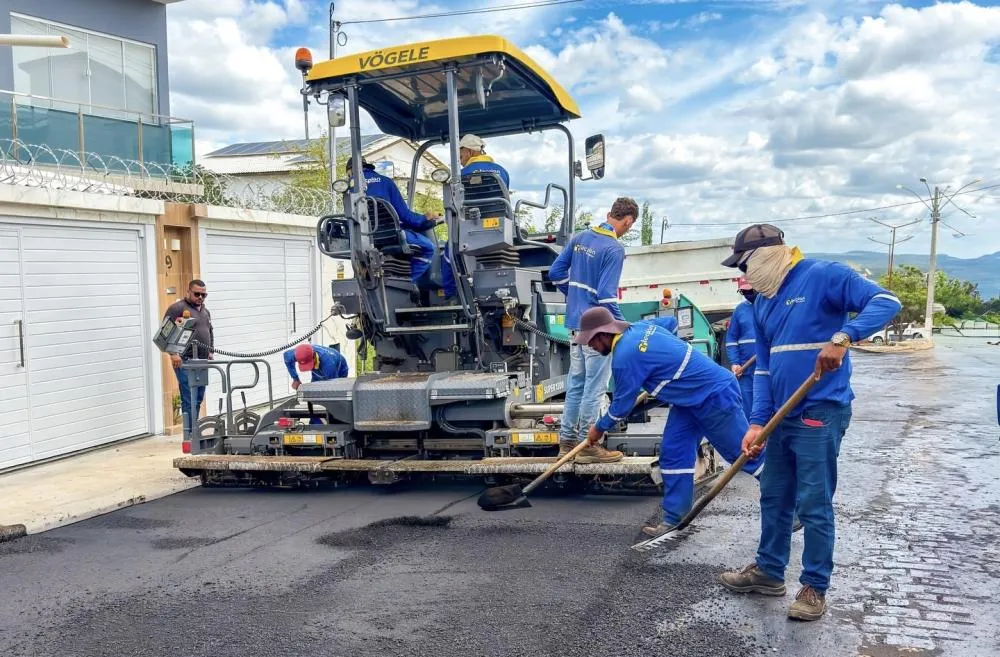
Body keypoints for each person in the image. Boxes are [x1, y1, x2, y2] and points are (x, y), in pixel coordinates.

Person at [717, 224, 902, 621]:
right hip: (781, 417)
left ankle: (814, 587)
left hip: (820, 409)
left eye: (746, 264)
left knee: (814, 503)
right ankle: (768, 571)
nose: (746, 275)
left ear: (768, 254)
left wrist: (844, 336)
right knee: (774, 494)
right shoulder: (762, 303)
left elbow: (887, 301)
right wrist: (756, 422)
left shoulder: (824, 276)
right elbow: (764, 370)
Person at [577, 306, 765, 535]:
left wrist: (598, 429)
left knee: (744, 453)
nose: (590, 347)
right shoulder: (642, 328)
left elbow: (622, 406)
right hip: (688, 400)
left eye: (591, 341)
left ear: (604, 334)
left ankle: (791, 503)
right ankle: (676, 518)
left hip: (713, 395)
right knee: (674, 452)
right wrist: (666, 360)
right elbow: (671, 324)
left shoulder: (624, 357)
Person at [548, 197, 638, 463]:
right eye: (629, 226)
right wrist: (625, 327)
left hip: (576, 325)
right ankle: (589, 445)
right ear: (627, 221)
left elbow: (555, 273)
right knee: (595, 388)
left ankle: (566, 443)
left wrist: (574, 296)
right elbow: (607, 297)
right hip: (598, 330)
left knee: (575, 385)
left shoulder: (580, 238)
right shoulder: (613, 249)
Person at [347, 158, 441, 288]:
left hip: (363, 240)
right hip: (391, 236)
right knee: (428, 247)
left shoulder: (348, 189)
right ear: (368, 167)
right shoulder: (385, 182)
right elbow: (406, 217)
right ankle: (409, 284)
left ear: (350, 172)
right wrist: (425, 218)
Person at [164, 279, 213, 437]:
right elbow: (165, 332)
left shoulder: (205, 311)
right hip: (184, 360)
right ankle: (189, 433)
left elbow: (209, 330)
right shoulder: (177, 308)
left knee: (198, 396)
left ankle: (194, 429)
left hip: (202, 360)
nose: (200, 297)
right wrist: (173, 353)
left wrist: (210, 350)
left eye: (203, 295)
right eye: (197, 294)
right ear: (188, 292)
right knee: (188, 395)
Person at [725, 277, 758, 420]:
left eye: (750, 290)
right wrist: (735, 362)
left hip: (767, 366)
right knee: (747, 407)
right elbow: (731, 339)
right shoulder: (740, 310)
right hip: (746, 368)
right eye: (744, 291)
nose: (748, 293)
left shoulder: (770, 305)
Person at [283, 343, 349, 390]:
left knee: (336, 391)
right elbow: (287, 359)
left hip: (340, 368)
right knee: (314, 388)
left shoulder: (329, 364)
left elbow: (334, 387)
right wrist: (295, 379)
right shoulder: (293, 354)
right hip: (320, 363)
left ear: (314, 356)